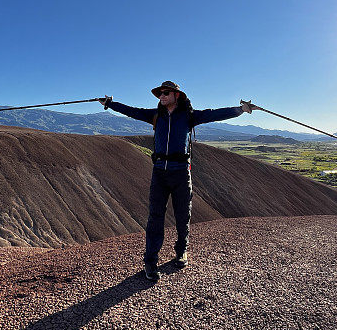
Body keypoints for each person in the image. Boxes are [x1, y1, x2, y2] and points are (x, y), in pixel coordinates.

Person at [99, 81, 255, 281]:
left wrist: (241, 109)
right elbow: (132, 111)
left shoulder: (189, 116)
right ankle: (151, 261)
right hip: (159, 173)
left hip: (181, 172)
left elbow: (215, 114)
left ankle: (182, 251)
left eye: (165, 93)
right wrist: (109, 104)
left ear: (177, 95)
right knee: (155, 217)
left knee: (183, 215)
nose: (161, 96)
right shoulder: (155, 115)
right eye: (160, 94)